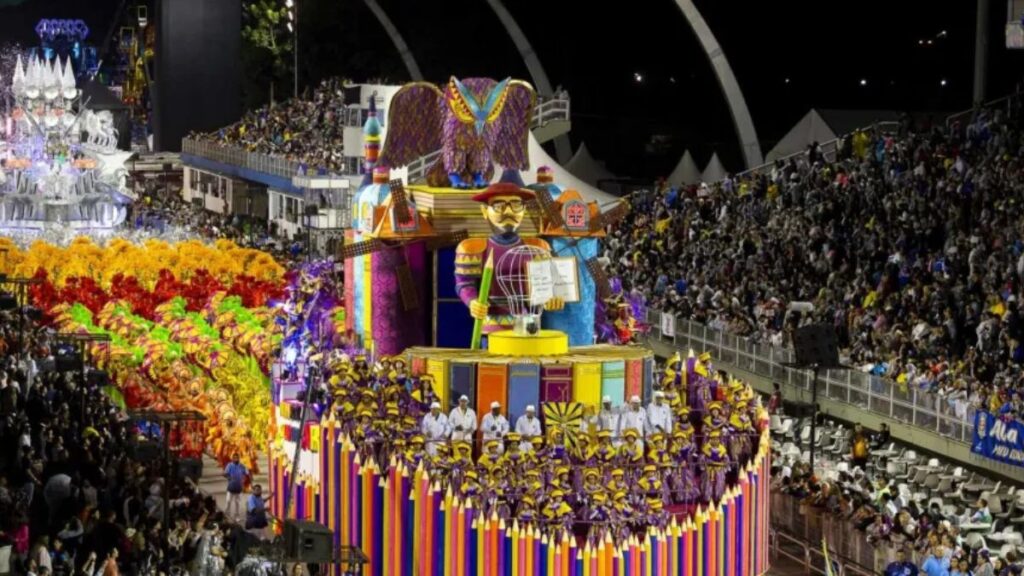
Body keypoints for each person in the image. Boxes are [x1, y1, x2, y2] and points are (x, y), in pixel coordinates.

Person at [455, 183, 563, 334]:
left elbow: (547, 284)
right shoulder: (473, 248)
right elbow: (464, 284)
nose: (508, 211)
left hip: (529, 325)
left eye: (516, 205)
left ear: (524, 210)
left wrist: (552, 297)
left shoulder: (538, 248)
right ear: (485, 211)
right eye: (499, 205)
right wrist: (473, 302)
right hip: (491, 327)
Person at [223, 454, 249, 524]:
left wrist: (245, 479)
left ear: (239, 458)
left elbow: (247, 473)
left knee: (237, 503)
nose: (236, 459)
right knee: (228, 501)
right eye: (234, 458)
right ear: (232, 459)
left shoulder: (242, 466)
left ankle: (237, 517)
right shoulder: (229, 465)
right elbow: (225, 473)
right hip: (231, 487)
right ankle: (226, 516)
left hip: (239, 487)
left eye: (237, 458)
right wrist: (229, 478)